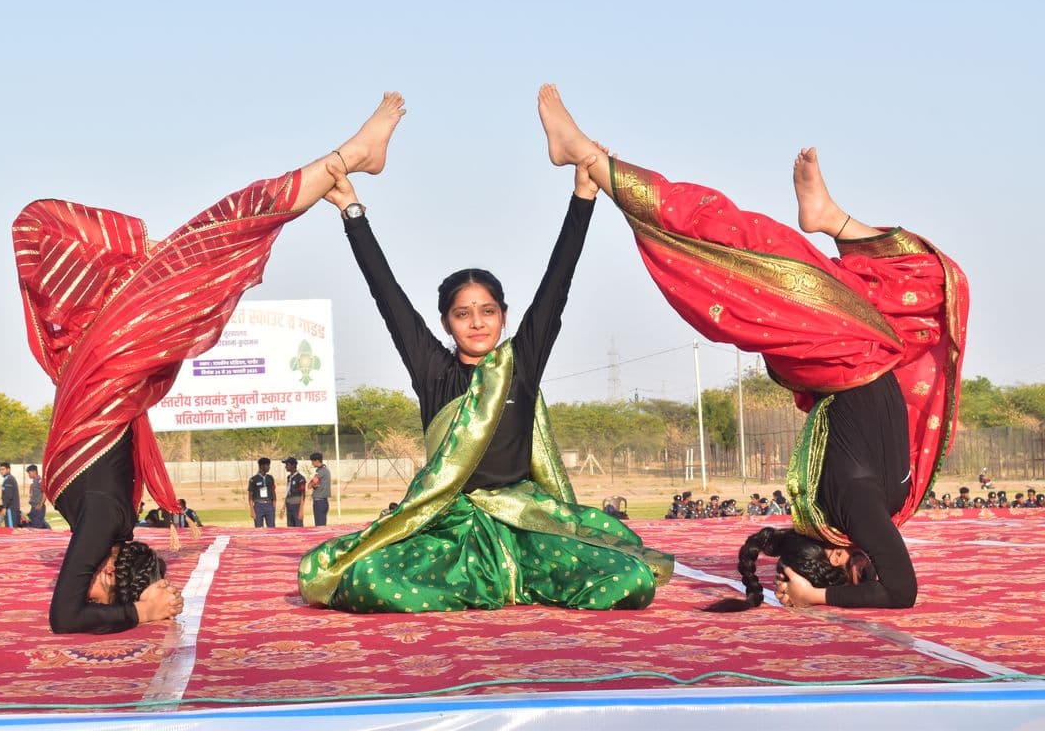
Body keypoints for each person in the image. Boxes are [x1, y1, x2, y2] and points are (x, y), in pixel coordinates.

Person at [534, 84, 968, 611]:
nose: (878, 562)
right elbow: (893, 586)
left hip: (843, 354)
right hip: (867, 350)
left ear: (836, 559)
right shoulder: (864, 514)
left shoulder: (854, 510)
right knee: (933, 281)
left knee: (744, 243)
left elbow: (900, 592)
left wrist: (815, 597)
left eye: (863, 570)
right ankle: (829, 220)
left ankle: (591, 161)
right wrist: (812, 588)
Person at [12, 92, 407, 633]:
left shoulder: (107, 518)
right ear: (110, 567)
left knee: (203, 243)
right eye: (99, 586)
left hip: (106, 372)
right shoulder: (108, 519)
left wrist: (133, 611)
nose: (84, 585)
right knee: (215, 241)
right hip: (109, 373)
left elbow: (66, 615)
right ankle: (345, 159)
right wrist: (141, 605)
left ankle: (349, 156)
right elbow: (73, 611)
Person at [298, 101, 672, 613]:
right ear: (447, 323)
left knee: (630, 579)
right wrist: (352, 212)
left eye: (488, 311)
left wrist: (583, 197)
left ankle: (513, 582)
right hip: (450, 526)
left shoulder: (520, 363)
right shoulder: (434, 372)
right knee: (368, 579)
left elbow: (556, 285)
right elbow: (387, 296)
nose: (477, 322)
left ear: (502, 315)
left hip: (526, 521)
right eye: (463, 314)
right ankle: (490, 584)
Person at [248, 458, 278, 528]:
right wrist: (252, 510)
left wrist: (274, 505)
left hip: (269, 505)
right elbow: (250, 496)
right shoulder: (253, 479)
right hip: (258, 506)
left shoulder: (270, 478)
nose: (269, 467)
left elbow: (273, 492)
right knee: (259, 528)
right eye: (267, 465)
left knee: (271, 528)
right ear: (261, 466)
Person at [308, 452, 331, 526]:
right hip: (324, 501)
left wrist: (311, 483)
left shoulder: (321, 472)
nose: (312, 463)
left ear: (317, 461)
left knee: (319, 526)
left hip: (319, 502)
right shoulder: (325, 470)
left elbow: (310, 485)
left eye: (312, 461)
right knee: (322, 524)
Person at [282, 457, 307, 527]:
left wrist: (301, 510)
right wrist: (283, 507)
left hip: (297, 506)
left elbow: (303, 494)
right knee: (290, 528)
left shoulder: (300, 478)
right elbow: (288, 492)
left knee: (298, 527)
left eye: (287, 465)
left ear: (293, 465)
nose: (286, 466)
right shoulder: (289, 477)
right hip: (289, 506)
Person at [24, 464, 50, 529]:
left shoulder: (39, 481)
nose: (28, 475)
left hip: (38, 507)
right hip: (34, 507)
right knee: (33, 525)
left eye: (29, 473)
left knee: (37, 528)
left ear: (34, 472)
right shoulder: (34, 482)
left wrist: (41, 504)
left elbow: (45, 492)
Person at [0, 463, 21, 528]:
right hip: (11, 508)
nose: (1, 471)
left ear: (8, 469)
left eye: (3, 469)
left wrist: (5, 507)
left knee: (11, 528)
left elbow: (8, 496)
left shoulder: (9, 479)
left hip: (10, 509)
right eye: (0, 470)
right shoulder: (8, 479)